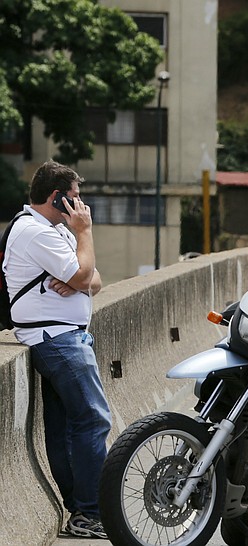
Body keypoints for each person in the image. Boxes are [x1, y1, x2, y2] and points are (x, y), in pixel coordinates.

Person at [2, 160, 110, 539]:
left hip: (64, 337)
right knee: (94, 420)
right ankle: (90, 512)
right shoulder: (36, 232)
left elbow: (95, 279)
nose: (81, 206)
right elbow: (84, 274)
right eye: (76, 198)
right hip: (56, 339)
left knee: (66, 429)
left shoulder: (55, 231)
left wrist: (81, 277)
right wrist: (86, 235)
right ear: (56, 197)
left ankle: (81, 512)